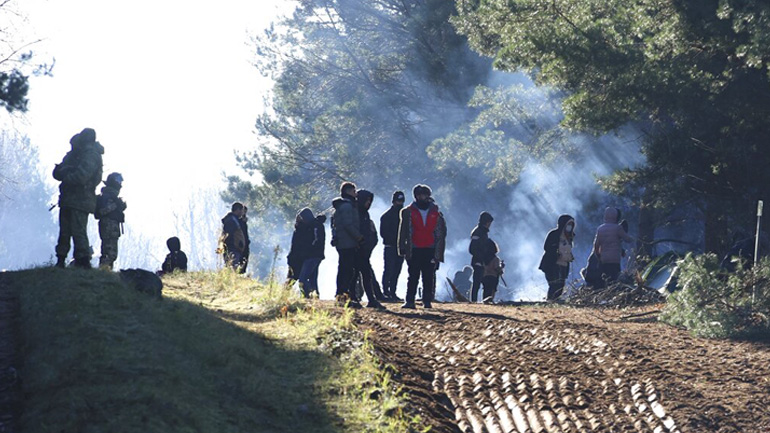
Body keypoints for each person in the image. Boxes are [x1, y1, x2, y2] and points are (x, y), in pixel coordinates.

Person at [52, 128, 104, 269]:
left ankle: (82, 261)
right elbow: (59, 171)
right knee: (64, 232)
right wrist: (62, 171)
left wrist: (67, 176)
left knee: (78, 231)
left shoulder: (91, 155)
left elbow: (82, 176)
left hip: (81, 199)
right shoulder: (76, 154)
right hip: (68, 198)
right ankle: (61, 259)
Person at [397, 184, 447, 309]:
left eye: (424, 195)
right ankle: (410, 300)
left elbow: (441, 234)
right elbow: (403, 232)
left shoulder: (436, 212)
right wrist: (402, 247)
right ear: (415, 196)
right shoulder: (407, 212)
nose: (422, 197)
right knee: (413, 275)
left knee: (428, 276)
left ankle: (427, 301)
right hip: (414, 248)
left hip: (430, 248)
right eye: (419, 195)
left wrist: (438, 254)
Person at [331, 182, 363, 307]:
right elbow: (348, 224)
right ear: (348, 191)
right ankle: (343, 296)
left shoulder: (340, 207)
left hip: (343, 242)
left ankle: (342, 295)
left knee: (344, 268)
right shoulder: (347, 207)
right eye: (354, 191)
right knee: (347, 270)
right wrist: (358, 237)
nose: (356, 194)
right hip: (348, 243)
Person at [354, 189, 385, 309]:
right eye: (367, 201)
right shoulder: (356, 212)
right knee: (356, 274)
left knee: (365, 274)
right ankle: (354, 297)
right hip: (357, 248)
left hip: (364, 249)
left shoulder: (365, 213)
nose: (369, 203)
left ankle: (371, 299)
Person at [287, 208, 326, 298]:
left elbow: (316, 241)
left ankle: (307, 296)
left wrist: (308, 251)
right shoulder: (306, 227)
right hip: (311, 256)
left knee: (303, 279)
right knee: (312, 279)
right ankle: (314, 296)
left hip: (313, 256)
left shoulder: (315, 226)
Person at [539, 214, 575, 301]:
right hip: (552, 264)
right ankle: (551, 301)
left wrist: (569, 256)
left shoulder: (569, 237)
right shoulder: (554, 234)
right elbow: (547, 247)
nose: (569, 227)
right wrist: (557, 253)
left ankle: (556, 301)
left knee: (561, 285)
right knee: (554, 284)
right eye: (568, 224)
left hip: (563, 264)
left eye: (571, 225)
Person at [593, 207, 633, 284]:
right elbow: (626, 239)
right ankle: (614, 288)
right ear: (615, 216)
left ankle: (607, 288)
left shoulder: (600, 229)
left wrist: (598, 255)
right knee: (615, 276)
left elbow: (596, 244)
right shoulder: (618, 228)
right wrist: (634, 239)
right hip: (615, 258)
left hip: (604, 259)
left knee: (606, 277)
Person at [95, 172, 126, 270]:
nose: (120, 184)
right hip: (109, 227)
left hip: (111, 227)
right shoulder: (108, 196)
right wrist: (117, 205)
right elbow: (103, 211)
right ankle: (104, 272)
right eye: (118, 181)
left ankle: (105, 272)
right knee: (109, 253)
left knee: (109, 253)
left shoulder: (110, 195)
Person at [380, 190, 406, 301]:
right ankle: (386, 292)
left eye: (401, 201)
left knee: (397, 270)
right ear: (393, 201)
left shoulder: (405, 215)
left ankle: (393, 292)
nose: (400, 203)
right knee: (389, 270)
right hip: (390, 246)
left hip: (400, 248)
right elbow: (383, 233)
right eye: (398, 201)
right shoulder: (386, 216)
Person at [469, 212, 494, 302]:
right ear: (486, 222)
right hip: (478, 261)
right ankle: (474, 300)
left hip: (482, 261)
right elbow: (472, 249)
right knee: (476, 282)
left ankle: (478, 300)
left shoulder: (482, 232)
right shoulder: (478, 232)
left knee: (481, 282)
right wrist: (481, 258)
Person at [220, 202, 247, 271]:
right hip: (232, 248)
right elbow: (229, 235)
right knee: (232, 268)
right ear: (237, 210)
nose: (242, 213)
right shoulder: (231, 220)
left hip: (234, 248)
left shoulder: (234, 219)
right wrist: (237, 244)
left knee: (232, 267)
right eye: (241, 210)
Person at [482, 238, 504, 304]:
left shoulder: (483, 258)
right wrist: (501, 267)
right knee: (492, 290)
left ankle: (484, 301)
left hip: (484, 276)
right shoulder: (495, 259)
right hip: (493, 277)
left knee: (485, 289)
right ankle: (490, 301)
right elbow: (497, 268)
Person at [238, 206, 251, 274]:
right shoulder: (238, 222)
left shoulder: (243, 222)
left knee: (244, 259)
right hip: (240, 244)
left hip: (245, 243)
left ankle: (241, 272)